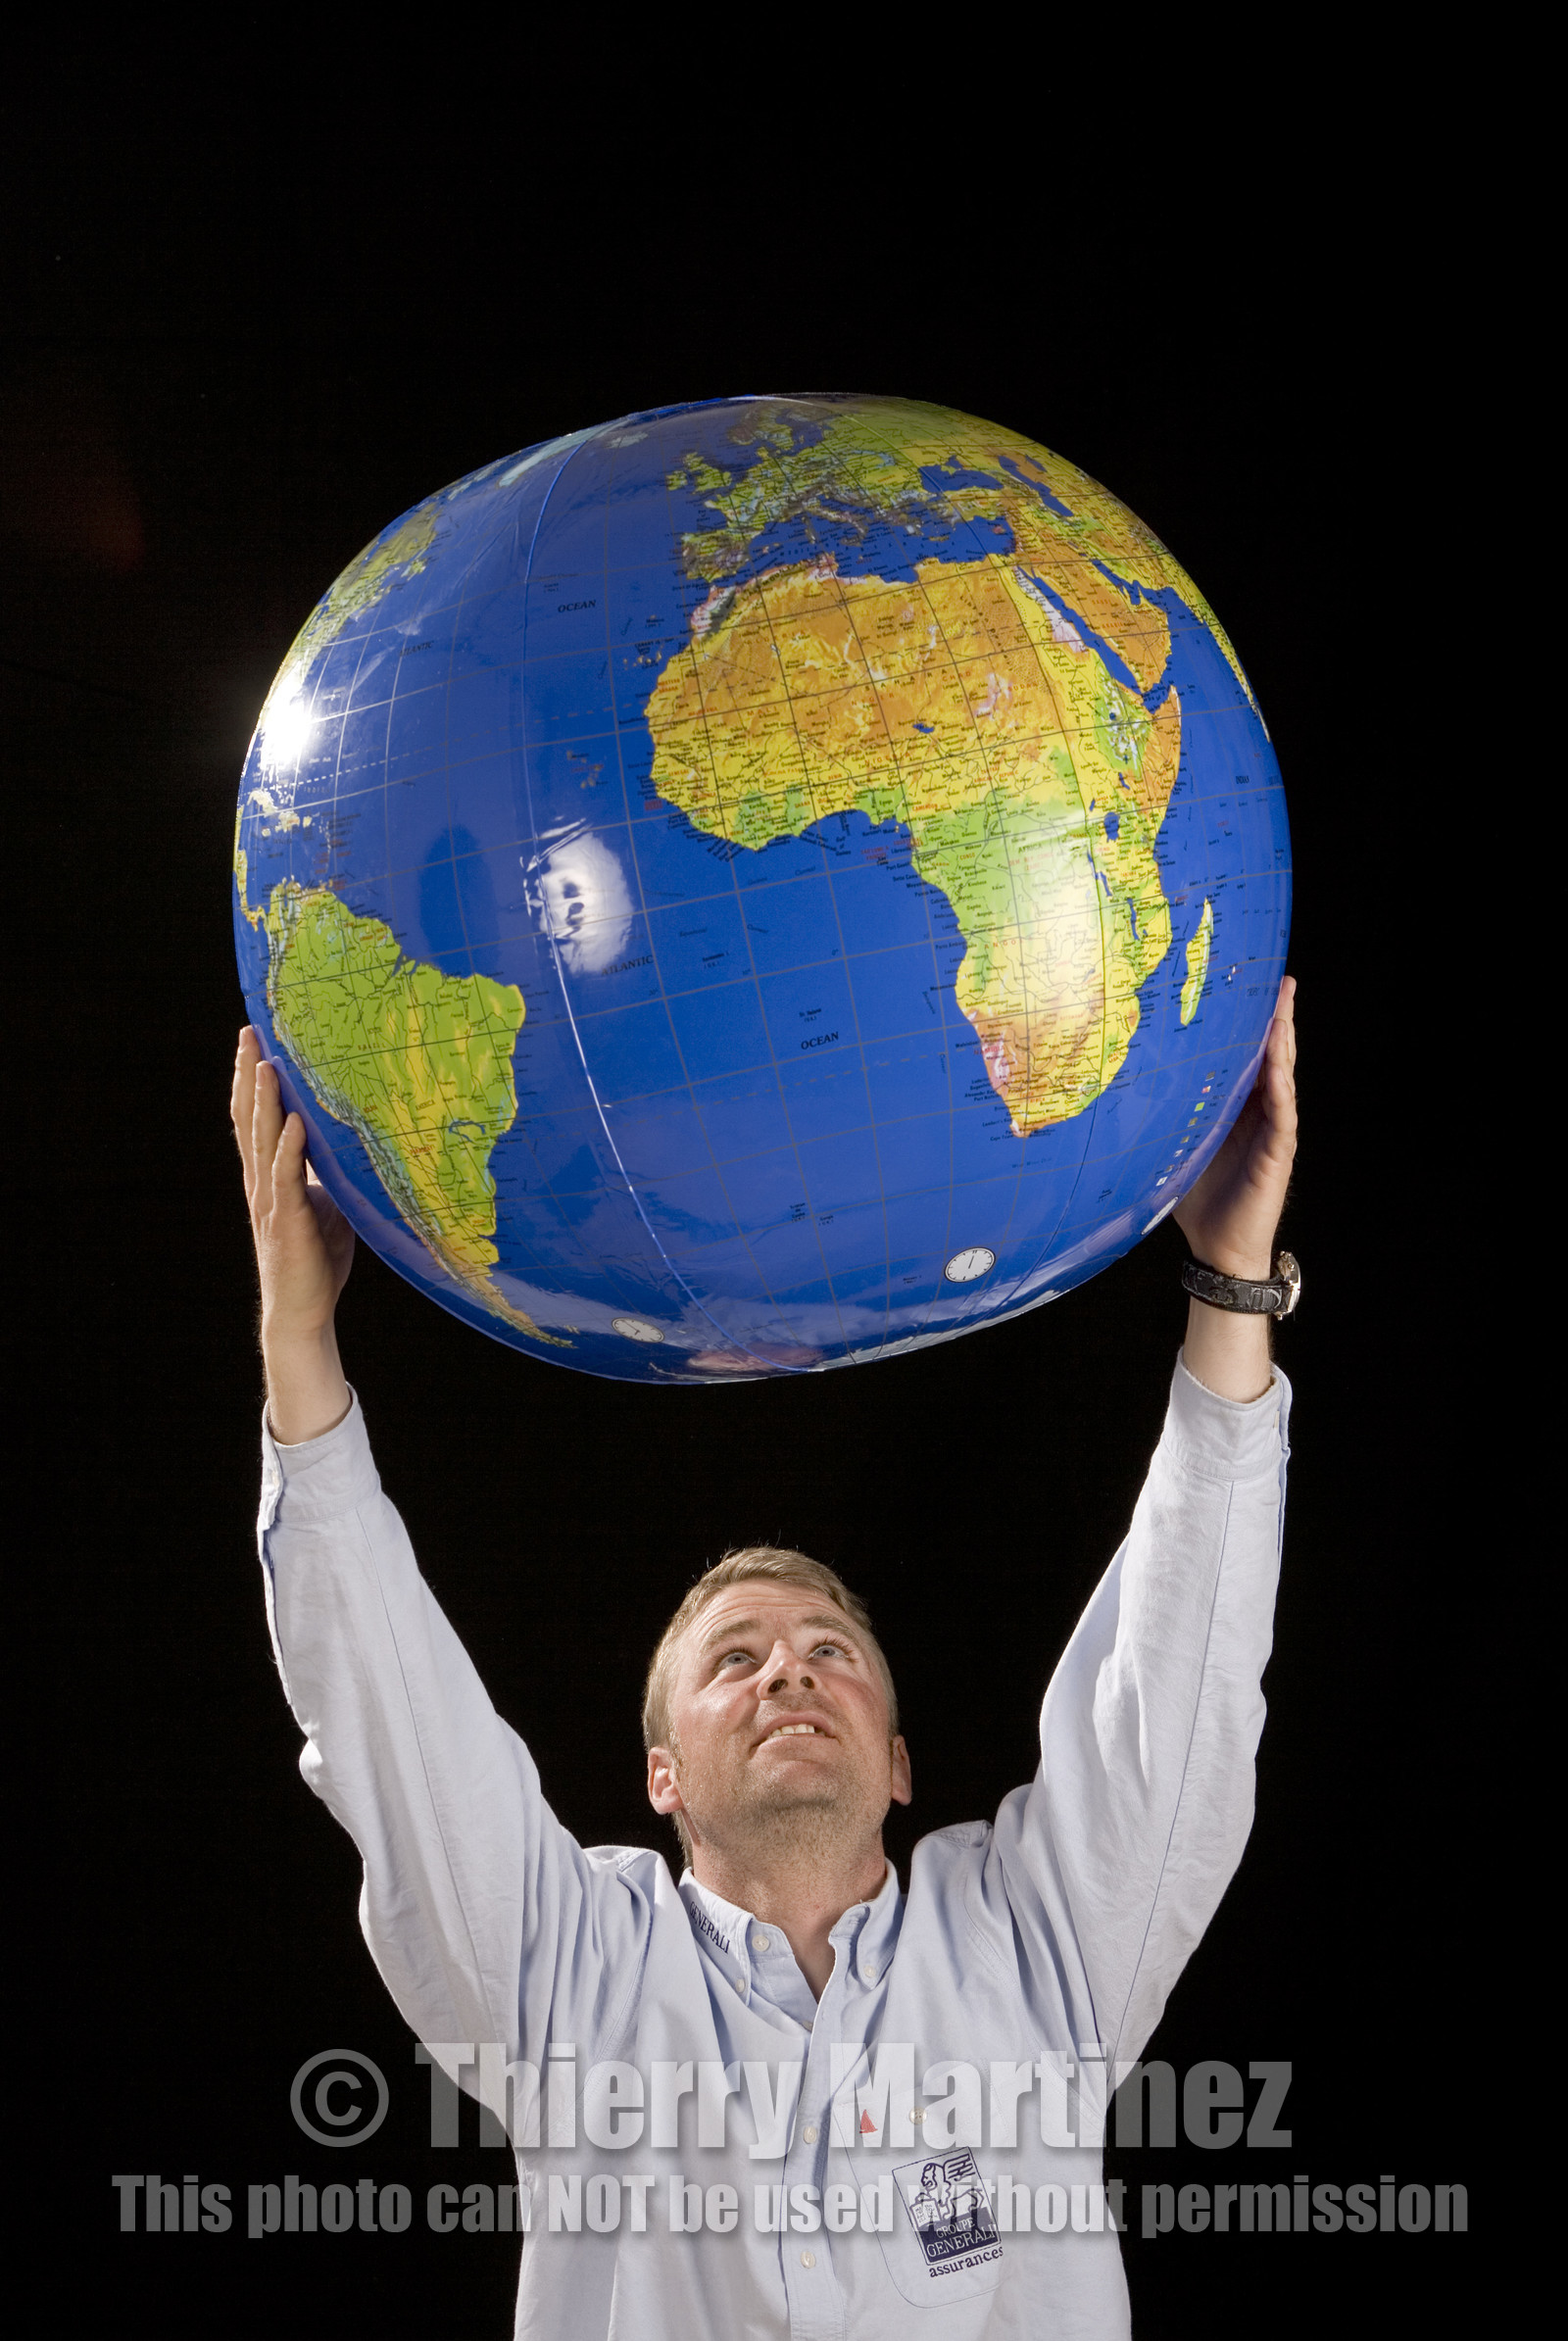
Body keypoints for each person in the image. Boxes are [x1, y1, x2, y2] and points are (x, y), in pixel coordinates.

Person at [231, 979, 1298, 2340]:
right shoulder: (572, 1973)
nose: (788, 1671)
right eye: (733, 1658)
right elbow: (394, 1728)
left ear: (899, 1762)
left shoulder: (1038, 1945)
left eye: (828, 1649)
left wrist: (1231, 1283)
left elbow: (1183, 1690)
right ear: (662, 1778)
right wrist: (297, 1340)